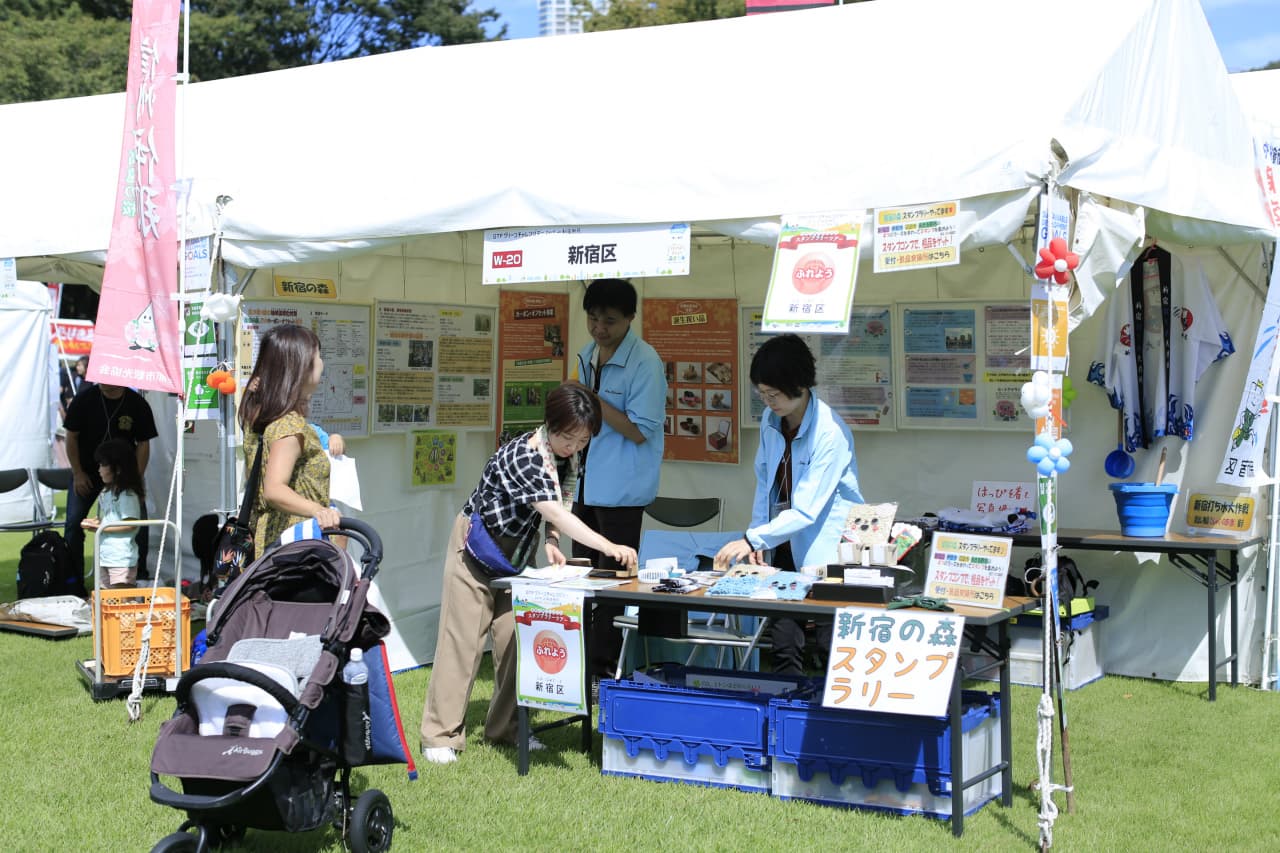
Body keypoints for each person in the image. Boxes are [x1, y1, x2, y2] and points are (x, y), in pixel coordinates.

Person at [420, 384, 638, 765]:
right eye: (568, 437)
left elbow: (559, 501)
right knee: (463, 643)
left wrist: (551, 540)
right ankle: (439, 735)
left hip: (514, 555)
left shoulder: (566, 457)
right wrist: (608, 545)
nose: (574, 446)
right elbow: (557, 512)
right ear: (550, 424)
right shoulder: (526, 455)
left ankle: (506, 728)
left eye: (583, 440)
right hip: (476, 547)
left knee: (516, 641)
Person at [714, 334, 864, 675]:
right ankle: (786, 704)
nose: (768, 402)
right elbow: (764, 484)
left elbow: (808, 510)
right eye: (762, 394)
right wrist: (757, 536)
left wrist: (754, 539)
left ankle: (830, 706)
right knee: (783, 640)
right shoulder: (770, 422)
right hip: (781, 540)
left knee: (831, 643)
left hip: (828, 547)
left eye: (774, 394)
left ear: (800, 384)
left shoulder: (830, 432)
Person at [570, 278, 666, 680]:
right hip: (586, 486)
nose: (599, 328)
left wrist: (590, 399)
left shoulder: (645, 362)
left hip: (622, 493)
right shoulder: (587, 353)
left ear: (630, 318)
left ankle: (601, 675)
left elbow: (640, 430)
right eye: (592, 318)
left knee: (611, 588)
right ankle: (573, 671)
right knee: (578, 579)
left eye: (609, 320)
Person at [238, 324, 341, 555]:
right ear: (302, 366)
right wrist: (318, 510)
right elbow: (274, 489)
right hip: (297, 546)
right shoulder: (289, 425)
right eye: (318, 356)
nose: (322, 363)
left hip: (274, 540)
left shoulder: (260, 415)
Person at [64, 380, 159, 593]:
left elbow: (144, 443)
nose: (107, 387)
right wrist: (77, 473)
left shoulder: (137, 404)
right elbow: (71, 436)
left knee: (139, 521)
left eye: (112, 385)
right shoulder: (84, 399)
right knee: (73, 523)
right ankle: (73, 582)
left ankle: (139, 577)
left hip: (123, 474)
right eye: (103, 384)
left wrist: (135, 480)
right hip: (87, 472)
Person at [81, 439, 145, 589]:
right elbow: (112, 519)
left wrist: (101, 527)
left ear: (118, 468)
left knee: (123, 599)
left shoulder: (128, 495)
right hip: (105, 555)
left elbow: (130, 524)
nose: (99, 469)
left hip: (121, 558)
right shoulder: (107, 492)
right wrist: (97, 523)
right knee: (105, 598)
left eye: (103, 465)